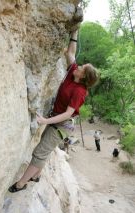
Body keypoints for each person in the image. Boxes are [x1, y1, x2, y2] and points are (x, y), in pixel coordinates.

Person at [8, 29, 99, 193]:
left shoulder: (79, 91)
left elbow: (68, 114)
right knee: (44, 148)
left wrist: (45, 121)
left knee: (39, 152)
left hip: (63, 124)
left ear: (83, 76)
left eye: (82, 67)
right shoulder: (73, 73)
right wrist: (75, 32)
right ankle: (36, 175)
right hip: (57, 120)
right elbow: (71, 52)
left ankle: (21, 184)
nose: (79, 65)